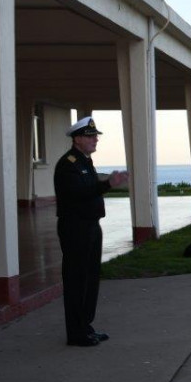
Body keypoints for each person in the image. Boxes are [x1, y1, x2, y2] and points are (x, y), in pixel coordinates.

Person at [53, 117, 128, 346]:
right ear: (77, 139)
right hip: (75, 228)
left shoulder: (85, 161)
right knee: (77, 279)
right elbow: (79, 193)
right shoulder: (68, 164)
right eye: (90, 136)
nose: (95, 139)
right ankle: (76, 333)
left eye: (95, 136)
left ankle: (85, 326)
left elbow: (89, 190)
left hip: (90, 226)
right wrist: (108, 184)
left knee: (90, 278)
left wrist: (106, 184)